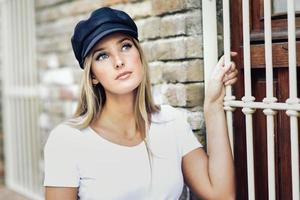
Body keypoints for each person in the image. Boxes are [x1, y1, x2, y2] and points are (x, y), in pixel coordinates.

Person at [43, 7, 237, 200]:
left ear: (139, 54)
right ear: (93, 75)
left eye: (125, 46)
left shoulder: (172, 122)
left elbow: (221, 195)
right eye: (102, 55)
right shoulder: (67, 141)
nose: (118, 61)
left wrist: (213, 106)